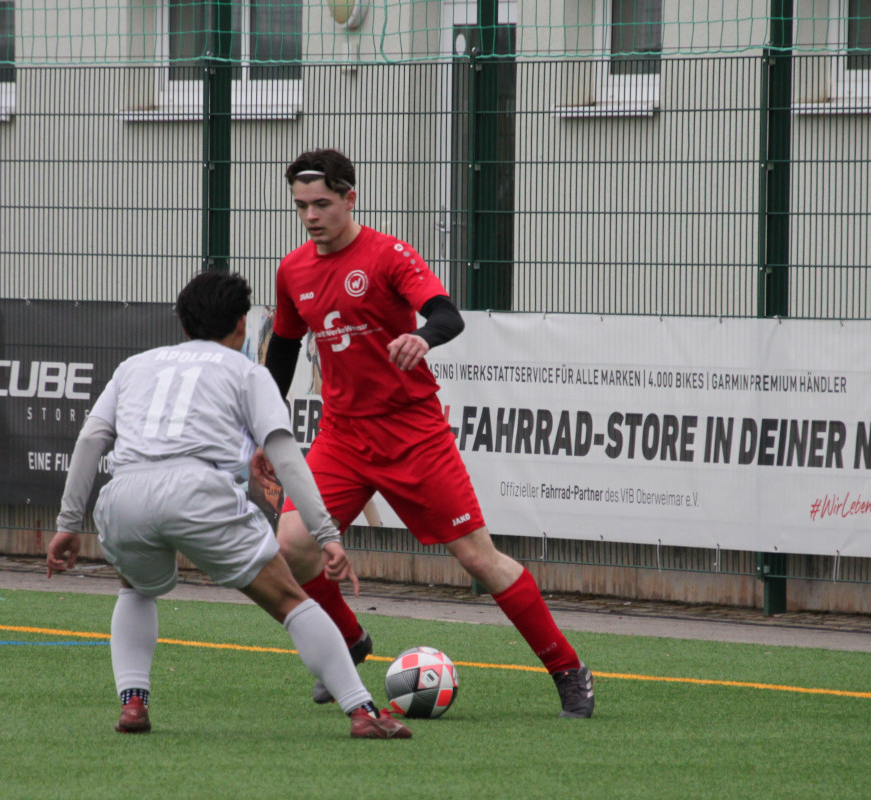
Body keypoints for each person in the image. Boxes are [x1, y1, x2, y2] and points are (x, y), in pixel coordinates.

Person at [257, 148, 594, 718]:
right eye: (301, 207)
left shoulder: (388, 255)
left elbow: (446, 314)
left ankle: (568, 669)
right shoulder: (293, 270)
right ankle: (351, 640)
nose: (311, 216)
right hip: (342, 436)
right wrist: (260, 430)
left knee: (478, 559)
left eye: (322, 204)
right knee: (290, 544)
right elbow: (283, 354)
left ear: (349, 199)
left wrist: (424, 338)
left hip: (413, 434)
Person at [46, 270, 411, 739]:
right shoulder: (248, 372)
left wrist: (68, 523)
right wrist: (326, 534)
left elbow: (92, 438)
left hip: (125, 493)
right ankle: (362, 711)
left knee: (135, 588)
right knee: (289, 599)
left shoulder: (135, 365)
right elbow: (284, 453)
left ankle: (133, 704)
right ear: (242, 324)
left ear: (183, 326)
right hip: (199, 491)